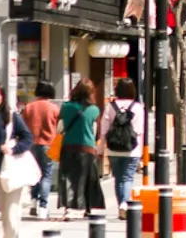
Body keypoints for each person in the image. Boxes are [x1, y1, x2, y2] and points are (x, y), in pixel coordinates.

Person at [58, 80, 105, 220]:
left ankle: (69, 206)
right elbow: (95, 130)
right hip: (87, 147)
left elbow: (60, 127)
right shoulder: (94, 110)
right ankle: (87, 206)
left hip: (68, 146)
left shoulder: (66, 107)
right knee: (87, 177)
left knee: (68, 177)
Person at [99, 78, 146, 220]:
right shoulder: (137, 107)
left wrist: (101, 147)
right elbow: (139, 131)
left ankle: (122, 204)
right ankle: (124, 205)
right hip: (132, 149)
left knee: (118, 178)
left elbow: (104, 130)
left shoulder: (110, 107)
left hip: (114, 149)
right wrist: (142, 154)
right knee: (127, 178)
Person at [0, 84, 32, 238]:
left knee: (10, 213)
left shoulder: (10, 116)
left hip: (8, 171)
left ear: (2, 96)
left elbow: (27, 138)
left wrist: (13, 149)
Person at [21, 82, 59, 219]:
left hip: (31, 144)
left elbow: (22, 126)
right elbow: (59, 126)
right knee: (46, 175)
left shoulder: (29, 107)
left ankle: (33, 203)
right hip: (48, 143)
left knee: (34, 174)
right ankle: (43, 207)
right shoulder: (54, 108)